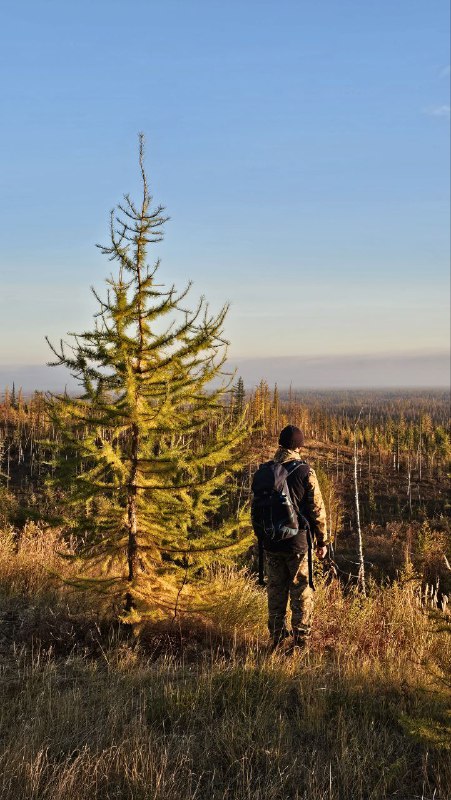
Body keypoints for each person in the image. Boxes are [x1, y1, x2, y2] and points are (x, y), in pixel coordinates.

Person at [265, 424, 329, 649]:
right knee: (301, 591)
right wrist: (322, 541)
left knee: (275, 590)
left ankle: (276, 640)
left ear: (280, 445)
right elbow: (317, 510)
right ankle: (300, 643)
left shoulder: (266, 470)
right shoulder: (305, 472)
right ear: (299, 447)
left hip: (271, 542)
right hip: (298, 544)